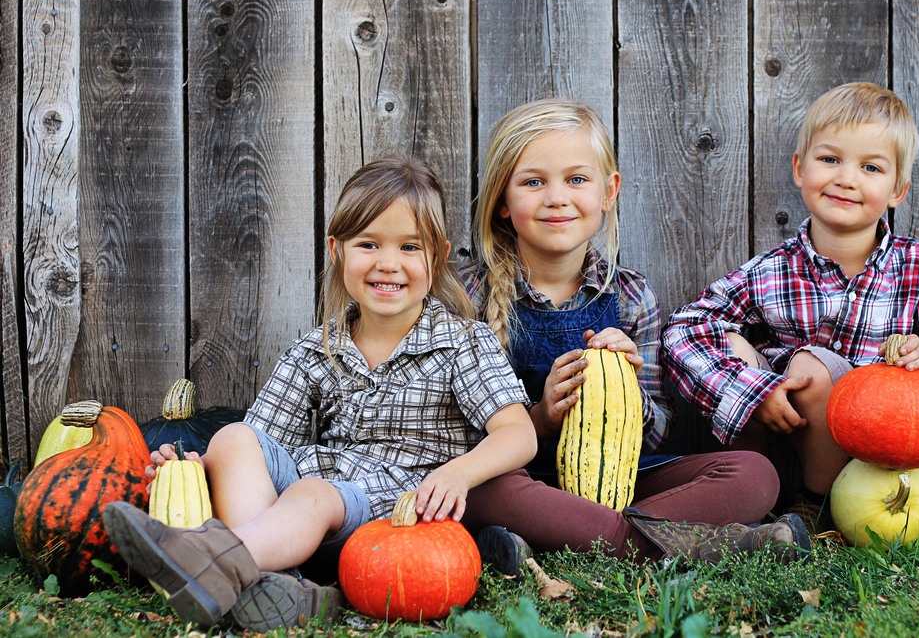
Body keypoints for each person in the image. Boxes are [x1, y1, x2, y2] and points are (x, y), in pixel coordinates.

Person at [102, 157, 537, 631]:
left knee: (315, 492)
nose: (388, 263)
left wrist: (458, 475)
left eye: (409, 246)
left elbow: (518, 435)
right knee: (232, 438)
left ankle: (220, 557)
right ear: (337, 250)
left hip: (391, 512)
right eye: (368, 244)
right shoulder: (317, 349)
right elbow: (261, 443)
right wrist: (194, 469)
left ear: (437, 255)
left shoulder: (463, 342)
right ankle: (275, 582)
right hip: (305, 501)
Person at [458, 97, 810, 574]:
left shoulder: (630, 296)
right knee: (482, 489)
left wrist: (625, 392)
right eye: (533, 182)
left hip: (622, 478)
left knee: (753, 473)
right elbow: (450, 430)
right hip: (520, 477)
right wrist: (540, 418)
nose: (557, 197)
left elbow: (659, 431)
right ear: (502, 200)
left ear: (609, 191)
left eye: (576, 179)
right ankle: (679, 542)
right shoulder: (470, 296)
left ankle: (564, 538)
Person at [661, 82, 919, 530]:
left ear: (898, 189)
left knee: (814, 367)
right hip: (781, 436)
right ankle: (757, 493)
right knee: (732, 342)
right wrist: (754, 392)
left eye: (870, 167)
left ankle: (818, 509)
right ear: (800, 168)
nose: (846, 178)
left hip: (872, 458)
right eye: (830, 159)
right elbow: (684, 328)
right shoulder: (773, 270)